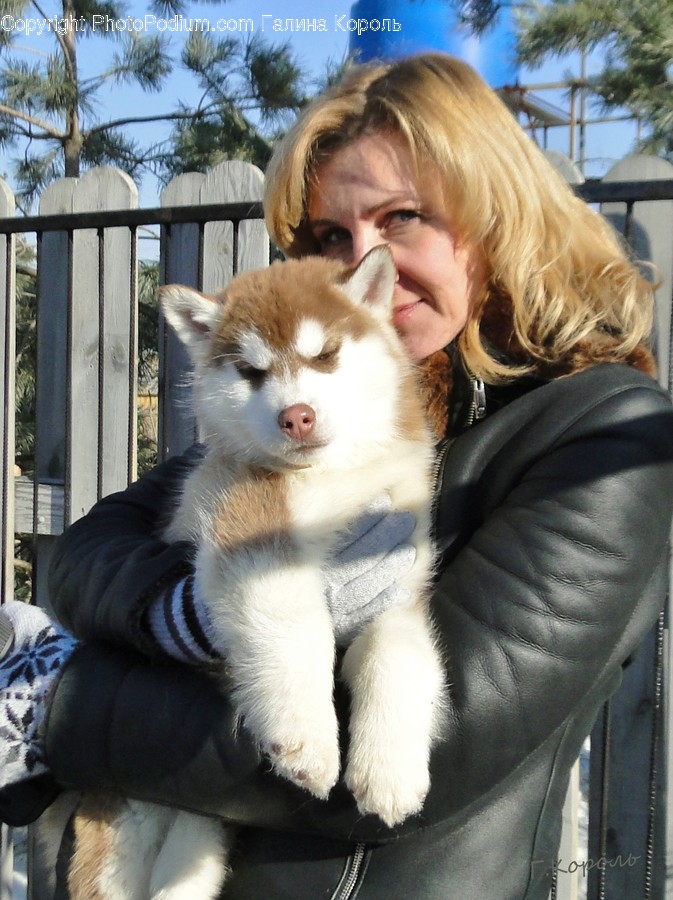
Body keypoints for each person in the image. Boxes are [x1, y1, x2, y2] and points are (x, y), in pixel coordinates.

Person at [2, 52, 673, 900]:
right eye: (328, 236)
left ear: (496, 218)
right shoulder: (301, 416)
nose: (363, 265)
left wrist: (64, 708)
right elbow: (86, 553)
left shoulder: (601, 432)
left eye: (402, 219)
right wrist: (185, 615)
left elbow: (433, 751)